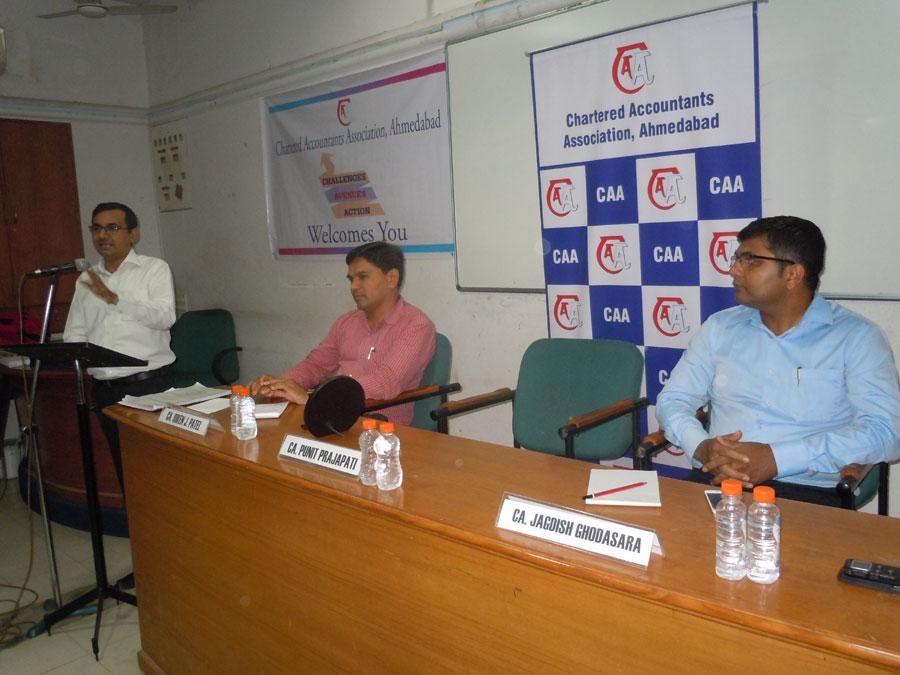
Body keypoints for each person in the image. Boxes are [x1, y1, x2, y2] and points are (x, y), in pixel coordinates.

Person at [656, 216, 900, 506]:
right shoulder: (719, 328)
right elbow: (673, 399)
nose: (734, 269)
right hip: (719, 481)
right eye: (737, 258)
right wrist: (702, 447)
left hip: (807, 493)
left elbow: (886, 431)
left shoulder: (857, 338)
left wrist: (777, 459)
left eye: (750, 260)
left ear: (793, 274)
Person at [250, 242, 435, 425]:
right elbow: (316, 365)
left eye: (362, 277)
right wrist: (278, 384)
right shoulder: (347, 322)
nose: (354, 286)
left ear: (391, 278)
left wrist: (320, 400)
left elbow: (386, 382)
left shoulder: (416, 325)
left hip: (380, 429)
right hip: (331, 419)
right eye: (351, 279)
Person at [63, 202, 176, 492]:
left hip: (148, 386)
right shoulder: (86, 279)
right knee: (125, 470)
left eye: (112, 228)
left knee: (157, 469)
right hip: (106, 390)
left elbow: (165, 318)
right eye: (97, 228)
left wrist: (115, 299)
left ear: (133, 233)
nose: (103, 235)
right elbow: (75, 333)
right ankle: (134, 521)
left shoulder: (154, 269)